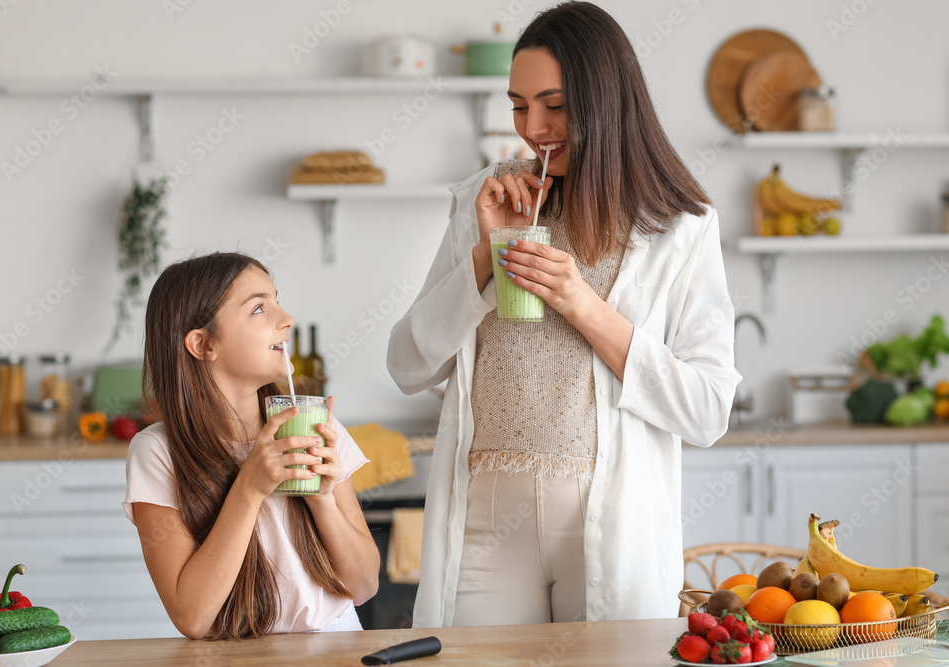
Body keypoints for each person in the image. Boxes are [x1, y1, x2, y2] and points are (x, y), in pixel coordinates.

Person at [387, 1, 741, 628]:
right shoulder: (486, 198)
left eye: (555, 104)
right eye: (519, 105)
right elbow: (409, 364)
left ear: (606, 101)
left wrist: (582, 303)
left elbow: (707, 411)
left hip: (610, 517)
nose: (534, 127)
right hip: (487, 519)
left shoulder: (681, 227)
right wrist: (483, 258)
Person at [123, 252, 379, 639]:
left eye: (276, 300)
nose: (287, 318)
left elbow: (364, 587)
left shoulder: (318, 427)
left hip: (338, 645)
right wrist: (250, 486)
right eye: (259, 308)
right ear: (202, 344)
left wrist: (321, 498)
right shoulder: (158, 453)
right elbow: (192, 618)